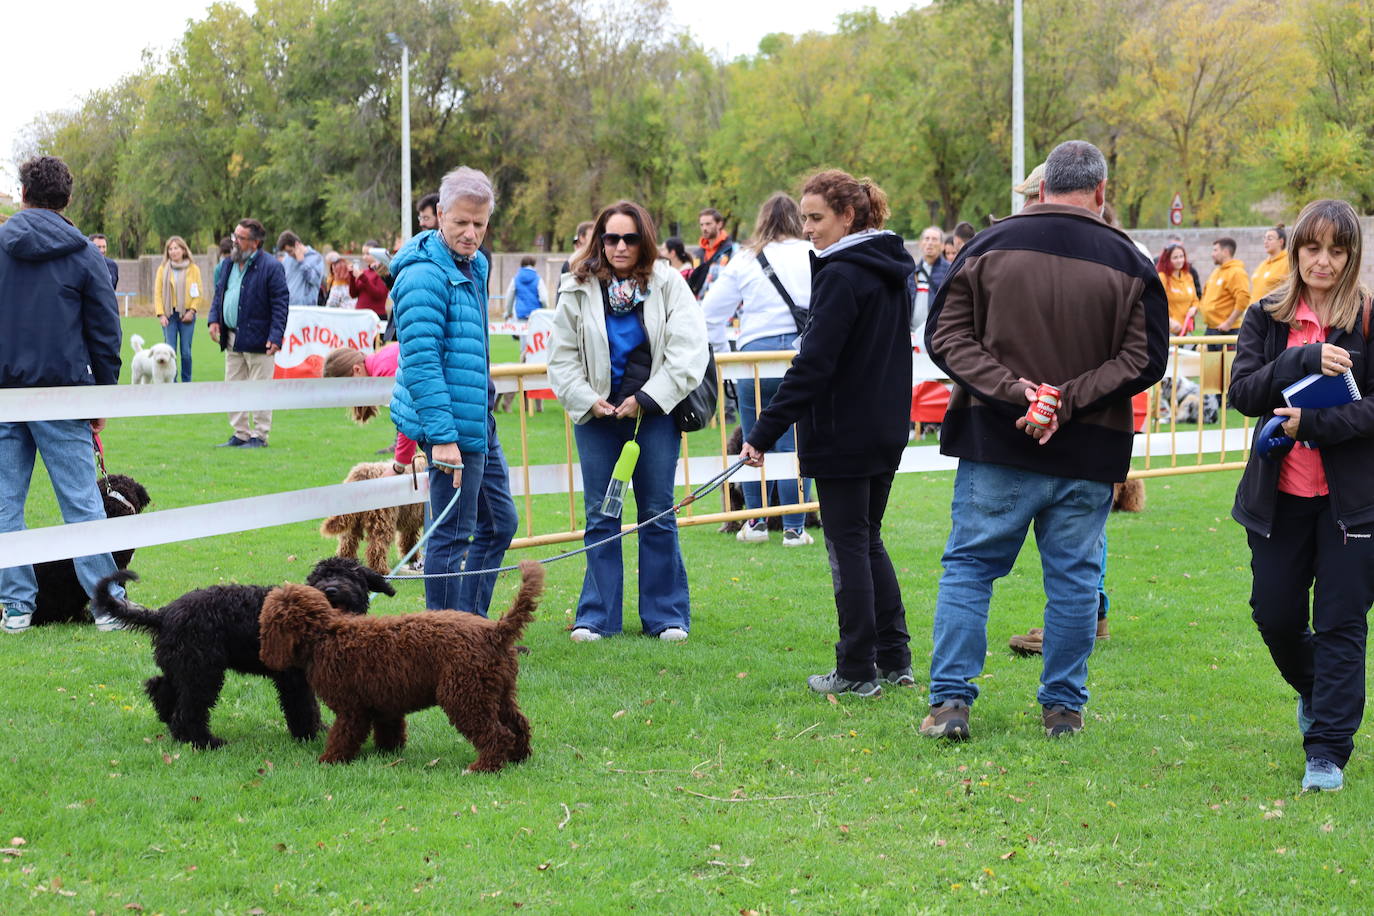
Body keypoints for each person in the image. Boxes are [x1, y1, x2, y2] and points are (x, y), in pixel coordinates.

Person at [922, 140, 1168, 739]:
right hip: (1087, 447)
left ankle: (952, 704)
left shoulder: (986, 246)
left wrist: (1025, 395)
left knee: (971, 569)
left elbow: (945, 338)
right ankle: (1062, 709)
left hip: (998, 442)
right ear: (1100, 192)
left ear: (1042, 185)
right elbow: (1145, 358)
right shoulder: (1131, 261)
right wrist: (1060, 398)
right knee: (1075, 580)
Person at [740, 170, 916, 696]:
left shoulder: (842, 274)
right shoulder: (886, 267)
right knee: (867, 542)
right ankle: (893, 657)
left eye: (816, 218)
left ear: (849, 216)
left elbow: (814, 364)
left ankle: (857, 669)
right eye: (805, 217)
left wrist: (763, 431)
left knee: (849, 548)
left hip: (846, 433)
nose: (808, 228)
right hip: (883, 429)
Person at [1228, 198, 1374, 793]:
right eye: (1312, 248)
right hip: (1279, 497)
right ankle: (1321, 690)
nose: (1323, 261)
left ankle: (1327, 752)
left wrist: (1311, 425)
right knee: (1274, 613)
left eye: (1336, 250)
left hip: (1353, 503)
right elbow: (1242, 392)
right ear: (1295, 251)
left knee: (1342, 624)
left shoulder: (1367, 318)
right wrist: (1303, 358)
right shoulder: (1265, 316)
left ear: (1351, 255)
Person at [547, 200, 709, 643]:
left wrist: (648, 399)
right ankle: (596, 617)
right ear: (599, 240)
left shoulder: (670, 284)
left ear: (645, 240)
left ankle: (666, 615)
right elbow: (560, 359)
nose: (620, 246)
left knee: (657, 511)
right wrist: (587, 400)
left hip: (654, 415)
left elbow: (689, 350)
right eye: (611, 237)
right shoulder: (575, 287)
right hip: (597, 417)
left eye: (630, 238)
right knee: (602, 515)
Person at [0, 156, 129, 632]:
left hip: (6, 393)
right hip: (63, 394)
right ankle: (105, 604)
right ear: (67, 199)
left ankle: (16, 607)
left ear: (23, 194)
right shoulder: (84, 254)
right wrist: (102, 400)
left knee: (4, 504)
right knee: (81, 503)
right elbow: (105, 332)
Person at [391, 166, 520, 616]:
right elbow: (422, 363)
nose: (471, 233)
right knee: (449, 535)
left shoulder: (476, 264)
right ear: (440, 215)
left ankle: (472, 629)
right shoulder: (422, 276)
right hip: (449, 428)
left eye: (479, 224)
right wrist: (443, 438)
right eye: (461, 222)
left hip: (478, 418)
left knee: (500, 523)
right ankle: (441, 645)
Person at [702, 192, 815, 547]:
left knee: (752, 441)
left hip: (752, 356)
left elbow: (710, 314)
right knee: (794, 443)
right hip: (799, 353)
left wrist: (725, 355)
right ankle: (795, 528)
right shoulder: (813, 253)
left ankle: (756, 522)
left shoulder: (744, 259)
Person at [207, 217, 289, 448]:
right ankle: (240, 433)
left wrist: (275, 336)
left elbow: (281, 304)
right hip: (232, 337)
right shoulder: (228, 264)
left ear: (255, 243)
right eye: (235, 236)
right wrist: (214, 319)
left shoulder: (271, 267)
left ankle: (259, 435)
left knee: (260, 388)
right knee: (233, 386)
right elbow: (219, 295)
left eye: (240, 238)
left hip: (260, 338)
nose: (235, 242)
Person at [153, 235, 204, 383]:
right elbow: (157, 293)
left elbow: (198, 292)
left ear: (183, 250)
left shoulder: (193, 269)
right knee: (170, 351)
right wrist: (160, 314)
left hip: (187, 315)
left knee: (186, 352)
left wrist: (192, 311)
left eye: (176, 248)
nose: (173, 251)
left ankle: (186, 382)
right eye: (170, 249)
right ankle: (172, 383)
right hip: (169, 314)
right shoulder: (163, 269)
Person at [1200, 236, 1250, 342]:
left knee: (1226, 359)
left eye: (1215, 250)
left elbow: (1243, 299)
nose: (1212, 254)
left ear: (1226, 252)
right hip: (1211, 329)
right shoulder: (1216, 272)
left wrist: (1229, 323)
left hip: (1227, 330)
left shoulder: (1237, 272)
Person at [910, 224, 950, 332]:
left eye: (934, 239)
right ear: (920, 243)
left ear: (942, 246)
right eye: (927, 239)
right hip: (913, 334)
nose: (930, 243)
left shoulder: (949, 272)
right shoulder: (912, 272)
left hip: (936, 334)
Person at [690, 207, 735, 300]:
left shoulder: (732, 250)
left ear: (719, 224)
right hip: (700, 303)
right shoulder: (698, 254)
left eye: (708, 224)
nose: (704, 228)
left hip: (723, 302)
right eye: (701, 225)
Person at [1157, 244, 1200, 335]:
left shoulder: (1188, 276)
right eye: (1175, 257)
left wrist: (1194, 308)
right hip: (1168, 330)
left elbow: (1195, 300)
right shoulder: (1162, 277)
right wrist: (1169, 321)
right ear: (1167, 260)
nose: (1179, 260)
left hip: (1186, 330)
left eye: (1181, 256)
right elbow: (1156, 303)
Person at [276, 230, 326, 307]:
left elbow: (315, 280)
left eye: (290, 251)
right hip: (289, 308)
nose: (289, 255)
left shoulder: (316, 258)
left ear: (297, 244)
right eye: (287, 252)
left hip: (307, 310)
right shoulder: (287, 259)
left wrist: (302, 263)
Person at [349, 246, 391, 319]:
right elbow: (353, 294)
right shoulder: (364, 272)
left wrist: (363, 278)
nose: (364, 257)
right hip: (360, 315)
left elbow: (378, 295)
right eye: (363, 254)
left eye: (367, 254)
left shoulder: (383, 273)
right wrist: (352, 276)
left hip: (375, 316)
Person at [1252, 224, 1290, 302]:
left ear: (1281, 241)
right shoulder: (1263, 264)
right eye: (1264, 238)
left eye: (1270, 239)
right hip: (1254, 311)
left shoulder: (1288, 262)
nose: (1265, 242)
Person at [504, 255, 548, 320]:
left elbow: (509, 298)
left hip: (519, 314)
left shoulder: (515, 279)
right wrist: (544, 309)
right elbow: (544, 299)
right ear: (534, 264)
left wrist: (509, 312)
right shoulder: (538, 280)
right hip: (536, 315)